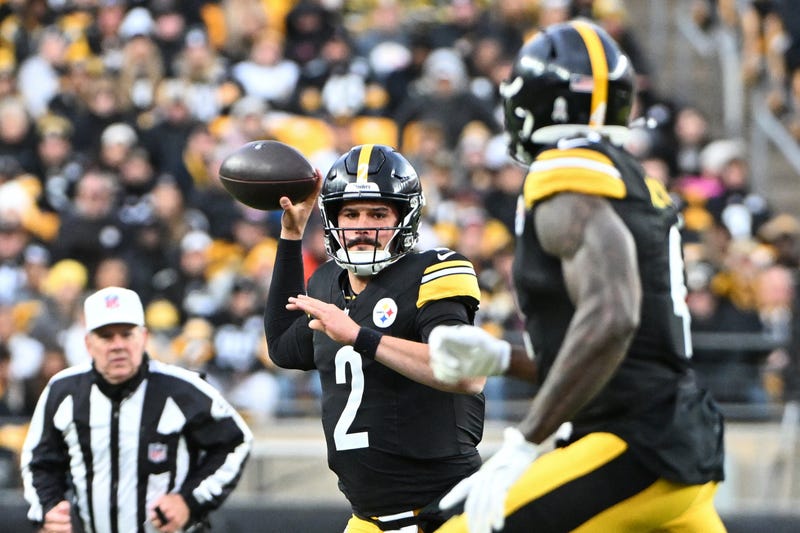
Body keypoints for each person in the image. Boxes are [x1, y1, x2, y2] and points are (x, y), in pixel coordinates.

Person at [428, 20, 726, 533]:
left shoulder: (564, 170)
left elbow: (613, 317)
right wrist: (505, 359)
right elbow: (621, 357)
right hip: (675, 446)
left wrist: (524, 441)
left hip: (634, 448)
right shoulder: (632, 179)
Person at [264, 143, 485, 532]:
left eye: (378, 213)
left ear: (405, 217)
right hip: (366, 520)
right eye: (350, 214)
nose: (363, 225)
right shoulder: (327, 282)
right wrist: (290, 237)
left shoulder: (435, 270)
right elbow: (283, 346)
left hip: (445, 514)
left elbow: (467, 373)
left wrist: (359, 337)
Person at [20, 286, 252, 533]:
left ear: (144, 337)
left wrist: (189, 500)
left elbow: (236, 441)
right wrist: (48, 509)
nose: (117, 345)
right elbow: (39, 461)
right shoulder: (63, 391)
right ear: (88, 343)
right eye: (106, 336)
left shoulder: (183, 389)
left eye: (127, 334)